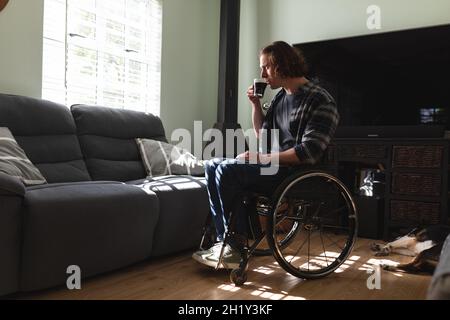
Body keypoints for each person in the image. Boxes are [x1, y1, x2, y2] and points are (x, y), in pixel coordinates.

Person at [192, 41, 339, 269]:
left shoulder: (320, 100)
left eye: (266, 68)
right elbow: (263, 134)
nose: (262, 74)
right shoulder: (280, 97)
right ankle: (226, 242)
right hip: (272, 166)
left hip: (295, 173)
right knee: (213, 164)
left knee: (228, 170)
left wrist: (261, 158)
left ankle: (234, 244)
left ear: (281, 66)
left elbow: (309, 153)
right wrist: (255, 105)